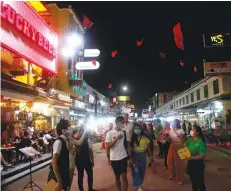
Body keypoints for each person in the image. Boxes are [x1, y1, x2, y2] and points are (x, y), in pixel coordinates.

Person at [105, 116, 132, 191]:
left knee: (124, 176)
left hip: (123, 156)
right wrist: (116, 139)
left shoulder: (124, 132)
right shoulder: (109, 133)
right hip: (114, 158)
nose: (124, 124)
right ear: (117, 123)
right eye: (122, 122)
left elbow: (127, 145)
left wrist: (130, 158)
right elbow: (107, 147)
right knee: (117, 176)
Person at [130, 123, 153, 191]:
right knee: (135, 171)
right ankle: (136, 186)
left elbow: (148, 148)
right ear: (133, 130)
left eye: (139, 129)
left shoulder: (144, 138)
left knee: (142, 171)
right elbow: (128, 148)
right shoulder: (131, 138)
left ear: (141, 129)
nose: (137, 130)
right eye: (136, 129)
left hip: (143, 155)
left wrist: (151, 157)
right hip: (135, 156)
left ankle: (140, 185)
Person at [75, 123, 97, 191]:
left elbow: (75, 150)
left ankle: (81, 190)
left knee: (80, 175)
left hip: (78, 160)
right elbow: (90, 151)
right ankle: (90, 189)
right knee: (90, 174)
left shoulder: (76, 138)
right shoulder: (88, 139)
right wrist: (92, 160)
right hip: (86, 159)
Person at [185, 126, 207, 191]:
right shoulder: (190, 140)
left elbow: (201, 155)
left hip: (198, 165)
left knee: (200, 182)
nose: (191, 131)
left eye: (193, 130)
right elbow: (183, 146)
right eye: (191, 129)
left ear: (197, 133)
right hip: (191, 164)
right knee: (193, 181)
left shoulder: (201, 142)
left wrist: (191, 158)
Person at [167, 119, 185, 185]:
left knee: (179, 163)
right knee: (169, 161)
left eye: (173, 122)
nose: (172, 123)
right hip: (172, 146)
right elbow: (169, 140)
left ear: (177, 123)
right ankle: (173, 174)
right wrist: (167, 139)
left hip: (179, 146)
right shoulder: (170, 131)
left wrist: (181, 137)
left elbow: (184, 140)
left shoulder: (181, 131)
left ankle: (180, 179)